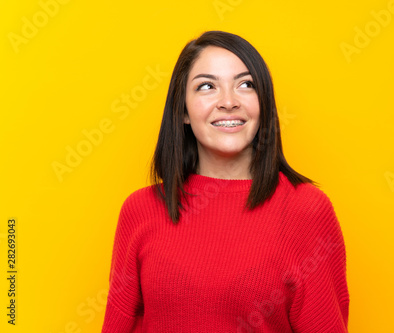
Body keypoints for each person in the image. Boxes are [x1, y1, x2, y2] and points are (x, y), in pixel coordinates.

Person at [101, 30, 349, 332]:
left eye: (246, 85)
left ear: (264, 104)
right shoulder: (140, 210)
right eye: (207, 86)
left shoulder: (306, 211)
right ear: (183, 111)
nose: (228, 102)